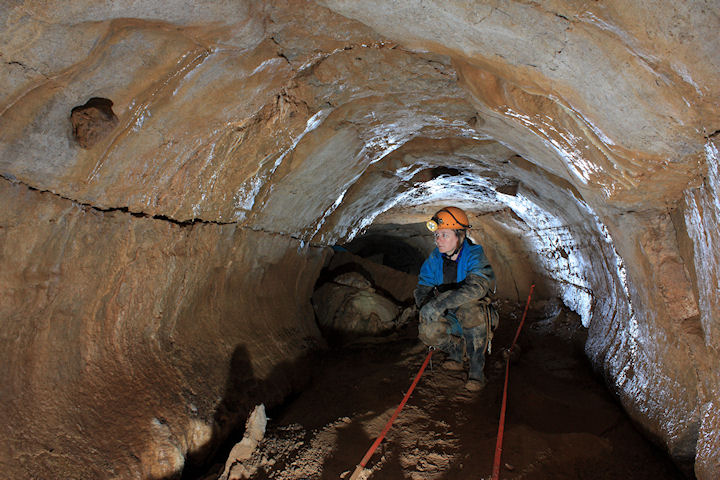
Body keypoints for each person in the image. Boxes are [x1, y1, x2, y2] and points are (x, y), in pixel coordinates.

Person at [414, 206, 498, 392]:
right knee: (427, 330)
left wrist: (439, 304)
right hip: (451, 315)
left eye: (444, 235)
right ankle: (456, 350)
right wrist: (426, 307)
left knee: (471, 309)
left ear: (460, 236)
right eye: (437, 235)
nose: (438, 240)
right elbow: (422, 288)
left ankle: (477, 371)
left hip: (476, 316)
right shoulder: (435, 258)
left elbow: (477, 288)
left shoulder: (474, 254)